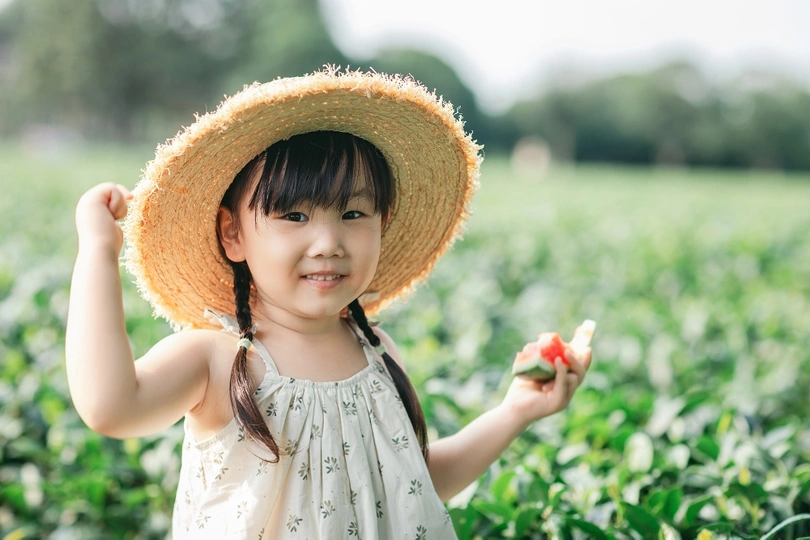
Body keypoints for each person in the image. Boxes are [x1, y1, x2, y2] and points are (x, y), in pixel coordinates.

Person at [65, 68, 591, 539]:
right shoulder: (217, 360)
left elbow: (412, 485)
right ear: (233, 234)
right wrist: (98, 252)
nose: (328, 243)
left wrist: (517, 410)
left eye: (353, 214)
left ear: (383, 221)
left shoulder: (377, 352)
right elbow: (109, 405)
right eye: (294, 216)